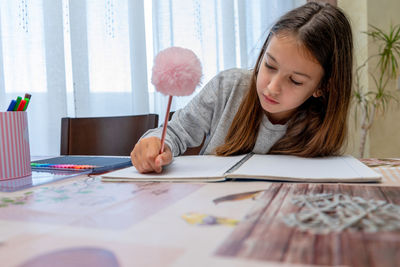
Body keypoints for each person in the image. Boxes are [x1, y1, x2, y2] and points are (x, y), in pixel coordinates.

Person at [131, 1, 353, 174]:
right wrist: (153, 145)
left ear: (322, 87)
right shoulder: (229, 87)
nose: (272, 88)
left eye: (295, 81)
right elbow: (175, 132)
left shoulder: (320, 126)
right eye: (269, 65)